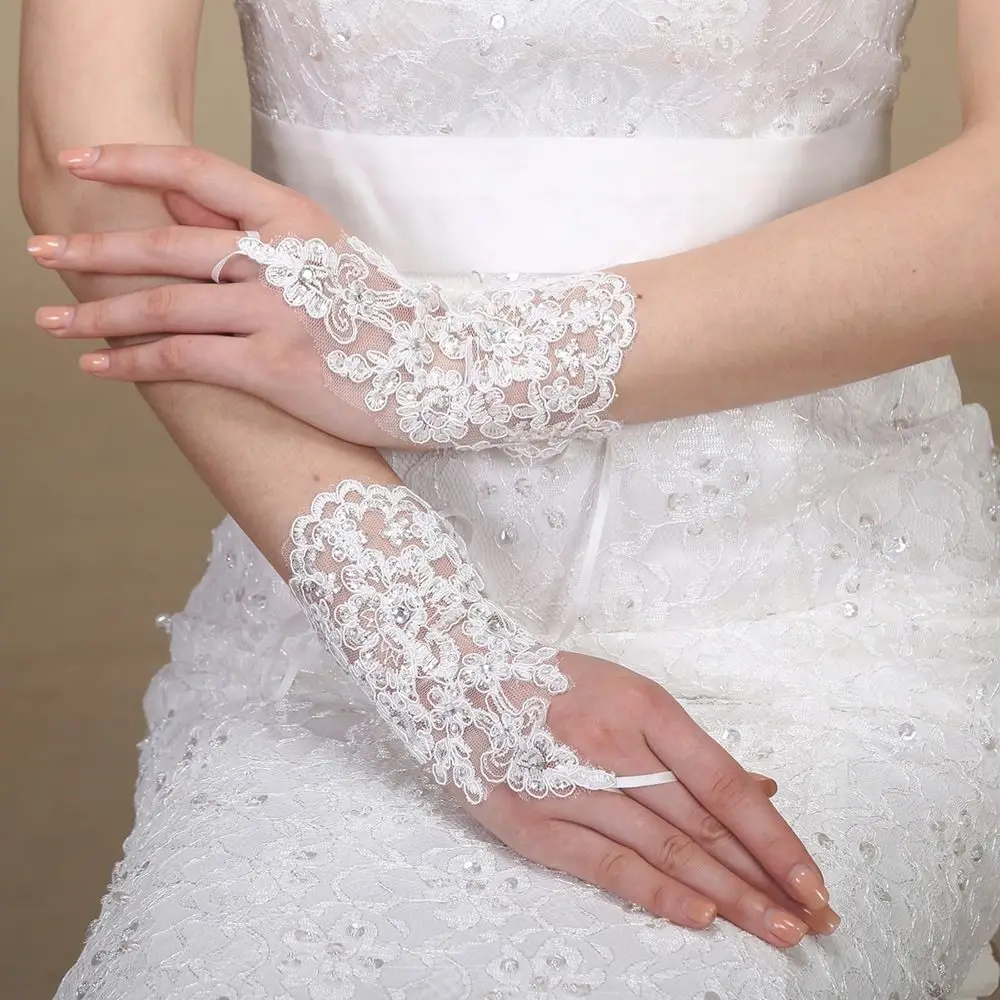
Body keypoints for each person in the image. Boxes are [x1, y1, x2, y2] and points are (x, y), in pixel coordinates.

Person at [18, 0, 1000, 996]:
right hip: (346, 579)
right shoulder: (403, 623)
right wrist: (435, 648)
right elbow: (89, 167)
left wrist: (438, 355)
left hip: (813, 585)